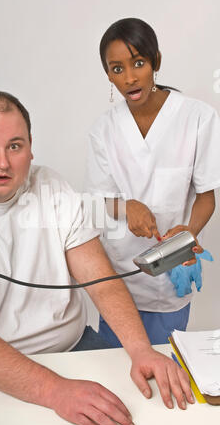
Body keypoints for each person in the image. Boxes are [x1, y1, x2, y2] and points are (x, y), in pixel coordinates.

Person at [0, 91, 194, 425]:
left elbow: (100, 278)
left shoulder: (52, 187)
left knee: (155, 419)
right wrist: (54, 391)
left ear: (31, 147)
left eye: (15, 146)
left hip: (71, 348)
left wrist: (142, 350)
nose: (2, 162)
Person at [85, 18, 220, 347]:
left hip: (169, 278)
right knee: (118, 374)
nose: (129, 78)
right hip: (119, 279)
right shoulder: (104, 130)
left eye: (138, 63)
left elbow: (206, 196)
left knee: (167, 373)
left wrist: (189, 231)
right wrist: (126, 206)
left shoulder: (198, 118)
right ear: (107, 74)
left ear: (156, 62)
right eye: (117, 69)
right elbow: (99, 203)